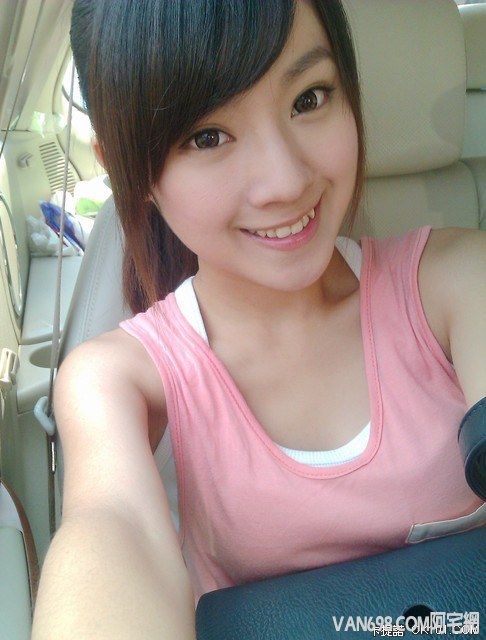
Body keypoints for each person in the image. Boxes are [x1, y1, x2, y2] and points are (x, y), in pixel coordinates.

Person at [32, 1, 485, 638]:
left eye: (309, 99)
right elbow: (111, 529)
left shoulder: (459, 280)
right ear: (127, 171)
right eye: (207, 137)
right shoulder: (113, 377)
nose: (285, 180)